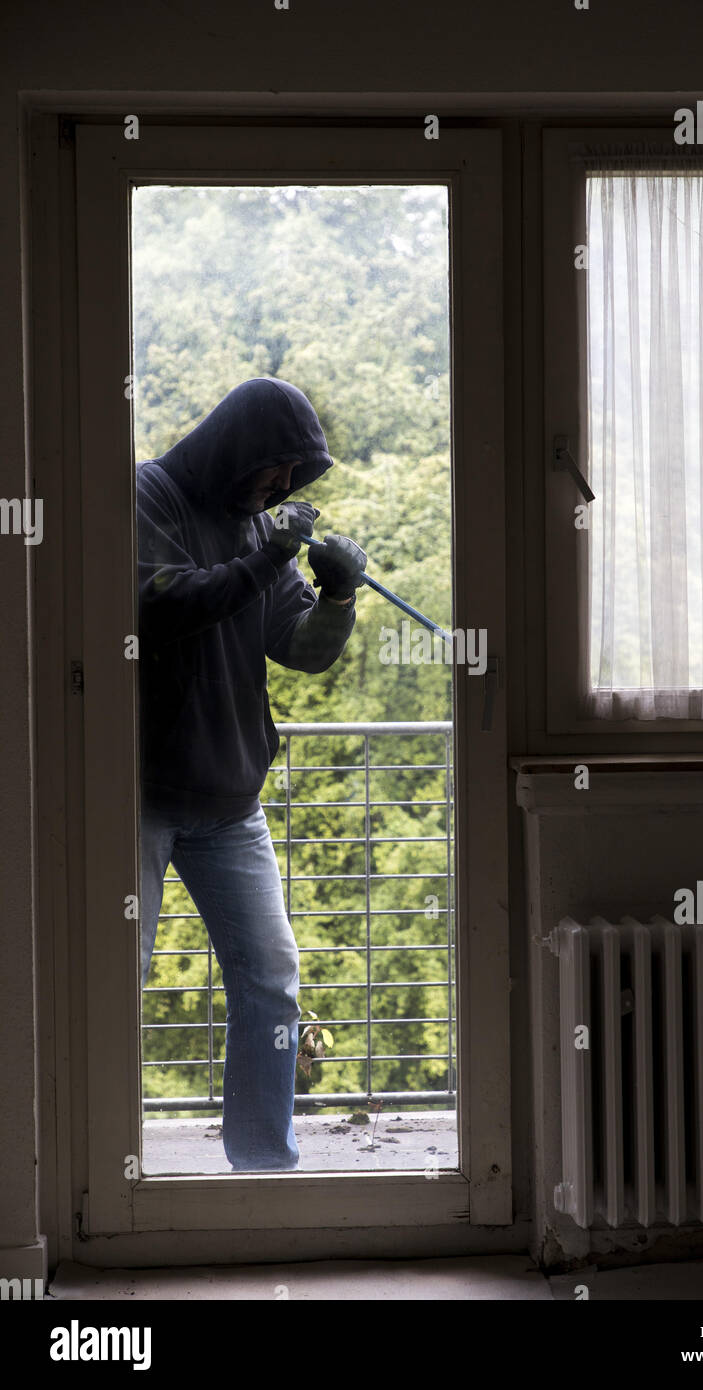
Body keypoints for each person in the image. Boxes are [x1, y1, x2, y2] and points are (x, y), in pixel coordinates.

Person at [136, 376, 365, 1170]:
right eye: (276, 472)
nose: (283, 490)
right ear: (240, 449)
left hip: (232, 802)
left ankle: (265, 1167)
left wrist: (335, 598)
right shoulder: (149, 497)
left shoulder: (258, 528)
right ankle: (98, 1160)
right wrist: (269, 555)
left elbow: (299, 648)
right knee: (116, 976)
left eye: (294, 482)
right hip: (137, 797)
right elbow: (161, 605)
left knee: (269, 979)